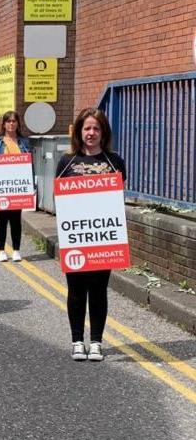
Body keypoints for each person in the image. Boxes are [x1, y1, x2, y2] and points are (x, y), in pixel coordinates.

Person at [55, 107, 127, 362]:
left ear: (103, 132)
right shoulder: (67, 161)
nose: (91, 133)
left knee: (99, 290)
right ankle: (77, 341)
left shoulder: (114, 161)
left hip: (103, 239)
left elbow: (118, 199)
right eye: (87, 128)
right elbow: (59, 198)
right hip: (76, 239)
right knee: (76, 290)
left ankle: (95, 342)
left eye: (96, 128)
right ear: (79, 131)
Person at [0, 110, 31, 262]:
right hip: (2, 187)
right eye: (8, 121)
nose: (11, 124)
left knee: (16, 219)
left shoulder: (24, 143)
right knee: (1, 219)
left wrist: (30, 185)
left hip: (18, 187)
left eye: (14, 121)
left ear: (18, 123)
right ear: (4, 124)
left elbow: (29, 165)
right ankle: (1, 250)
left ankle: (17, 250)